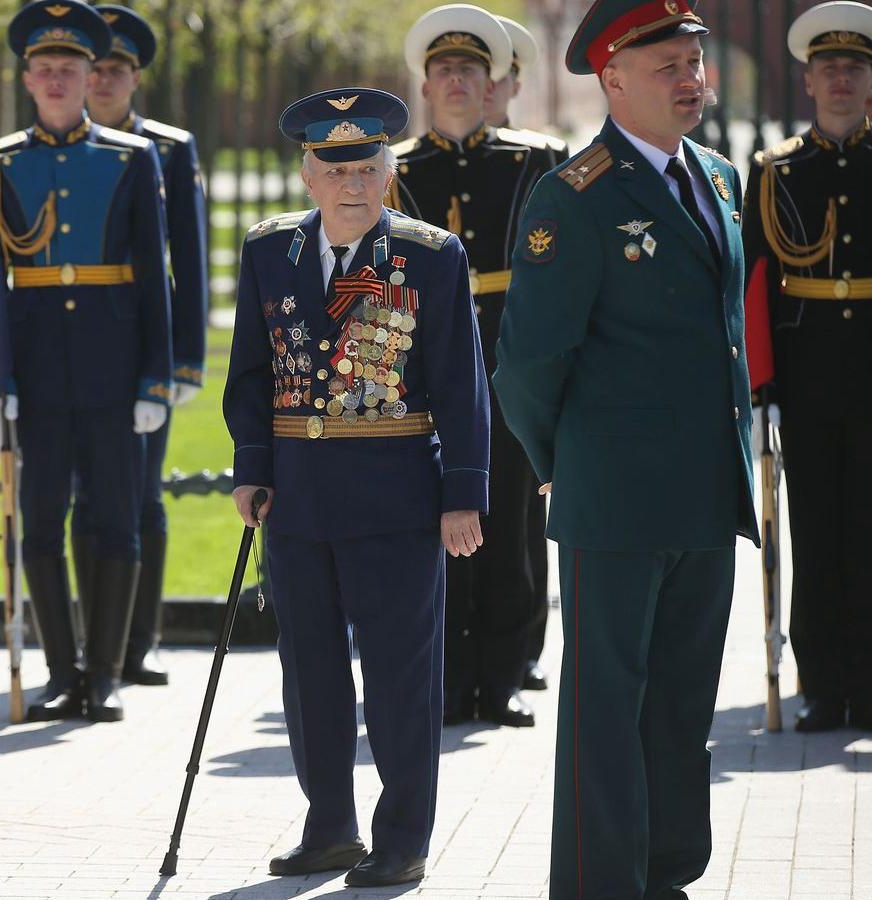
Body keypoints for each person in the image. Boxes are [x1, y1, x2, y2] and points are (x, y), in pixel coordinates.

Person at [494, 1, 755, 895]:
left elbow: (725, 333)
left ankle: (668, 871)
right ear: (612, 80)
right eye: (669, 68)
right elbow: (529, 363)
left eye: (695, 62)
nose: (693, 82)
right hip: (614, 493)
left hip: (705, 491)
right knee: (608, 705)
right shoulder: (575, 196)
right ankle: (601, 880)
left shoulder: (718, 178)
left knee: (683, 702)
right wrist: (565, 461)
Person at [226, 87, 488, 887]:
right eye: (335, 169)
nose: (353, 184)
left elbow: (461, 380)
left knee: (401, 677)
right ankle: (329, 829)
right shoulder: (270, 252)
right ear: (307, 173)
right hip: (298, 499)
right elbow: (251, 370)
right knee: (308, 672)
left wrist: (463, 492)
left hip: (396, 497)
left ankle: (402, 837)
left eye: (369, 168)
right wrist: (252, 467)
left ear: (388, 172)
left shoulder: (429, 255)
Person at [0, 0, 171, 723]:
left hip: (114, 366)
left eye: (70, 68)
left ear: (92, 77)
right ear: (27, 79)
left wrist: (156, 375)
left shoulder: (131, 158)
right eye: (44, 69)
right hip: (37, 369)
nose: (56, 80)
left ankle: (107, 671)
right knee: (41, 519)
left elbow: (153, 273)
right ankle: (61, 671)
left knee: (115, 516)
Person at [391, 3, 561, 729]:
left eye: (468, 69)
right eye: (442, 70)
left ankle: (504, 674)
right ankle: (450, 674)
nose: (456, 81)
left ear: (490, 81)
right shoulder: (397, 169)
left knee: (511, 517)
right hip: (428, 365)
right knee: (438, 518)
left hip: (507, 359)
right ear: (424, 86)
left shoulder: (533, 159)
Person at [742, 0, 872, 733]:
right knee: (817, 533)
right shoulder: (775, 171)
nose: (842, 80)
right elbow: (758, 285)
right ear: (809, 83)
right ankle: (824, 683)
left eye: (855, 67)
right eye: (830, 69)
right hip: (810, 373)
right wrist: (764, 385)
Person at [69, 4, 207, 688]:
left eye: (115, 69)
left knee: (143, 495)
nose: (102, 80)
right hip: (80, 349)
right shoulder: (63, 148)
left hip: (146, 351)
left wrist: (184, 360)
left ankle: (138, 641)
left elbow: (191, 257)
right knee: (84, 498)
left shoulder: (171, 149)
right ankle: (92, 640)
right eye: (92, 69)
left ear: (135, 77)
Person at [486, 11, 568, 697]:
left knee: (521, 506)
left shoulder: (538, 156)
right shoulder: (414, 162)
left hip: (516, 346)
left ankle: (522, 646)